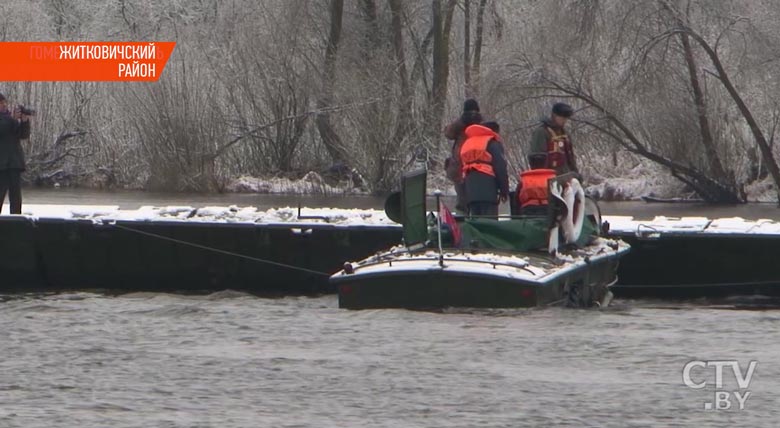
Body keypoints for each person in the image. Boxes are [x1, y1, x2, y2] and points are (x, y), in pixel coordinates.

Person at [459, 120, 509, 219]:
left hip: (470, 191)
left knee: (477, 225)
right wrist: (504, 190)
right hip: (488, 191)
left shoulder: (468, 143)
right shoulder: (492, 143)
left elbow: (462, 168)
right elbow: (500, 167)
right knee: (489, 226)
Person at [444, 98, 483, 212]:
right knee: (476, 199)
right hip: (477, 164)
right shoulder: (481, 123)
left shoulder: (460, 124)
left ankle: (462, 224)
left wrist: (461, 120)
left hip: (460, 165)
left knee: (462, 201)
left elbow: (448, 133)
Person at [0, 93, 32, 214]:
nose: (4, 105)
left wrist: (24, 122)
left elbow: (22, 135)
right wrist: (13, 119)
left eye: (5, 103)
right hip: (1, 165)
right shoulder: (9, 119)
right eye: (1, 103)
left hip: (14, 162)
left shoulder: (9, 118)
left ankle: (16, 219)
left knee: (16, 196)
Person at [528, 102, 578, 175]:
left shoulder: (565, 134)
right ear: (554, 116)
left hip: (567, 177)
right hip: (549, 177)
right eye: (561, 118)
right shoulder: (542, 132)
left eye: (565, 118)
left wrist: (575, 174)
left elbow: (570, 159)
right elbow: (537, 159)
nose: (564, 121)